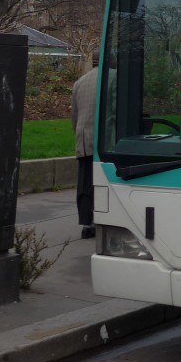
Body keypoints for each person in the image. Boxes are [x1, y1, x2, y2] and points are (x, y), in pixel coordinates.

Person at [71, 51, 99, 239]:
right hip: (103, 140)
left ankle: (86, 223)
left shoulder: (79, 82)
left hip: (83, 138)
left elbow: (74, 116)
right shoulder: (113, 78)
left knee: (85, 182)